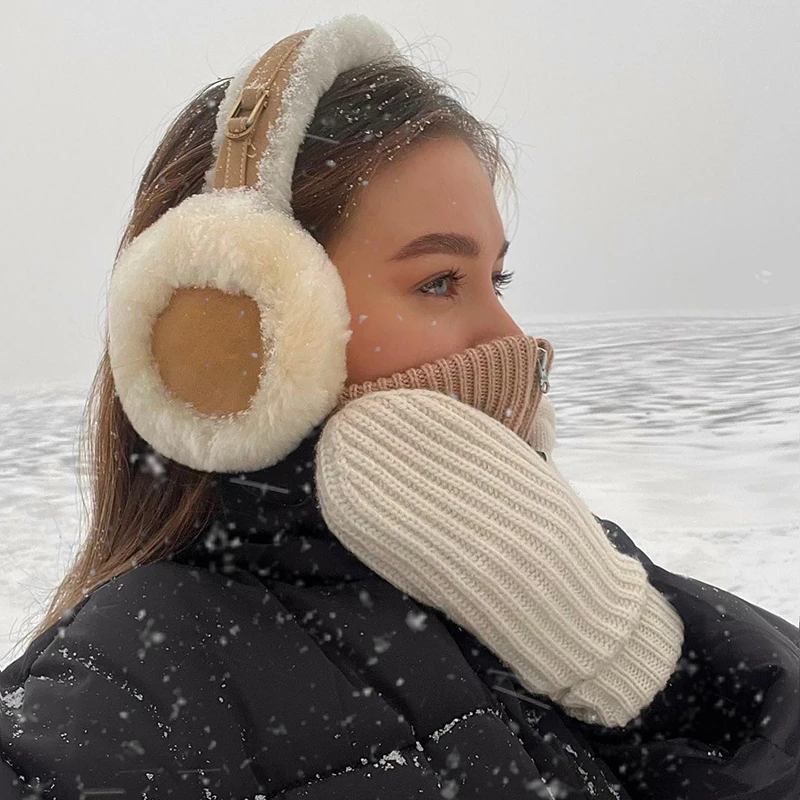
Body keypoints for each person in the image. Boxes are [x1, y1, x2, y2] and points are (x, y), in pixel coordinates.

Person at [1, 14, 797, 800]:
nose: (510, 335)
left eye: (500, 279)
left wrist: (644, 663)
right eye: (441, 281)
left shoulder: (563, 561)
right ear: (246, 323)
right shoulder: (141, 676)